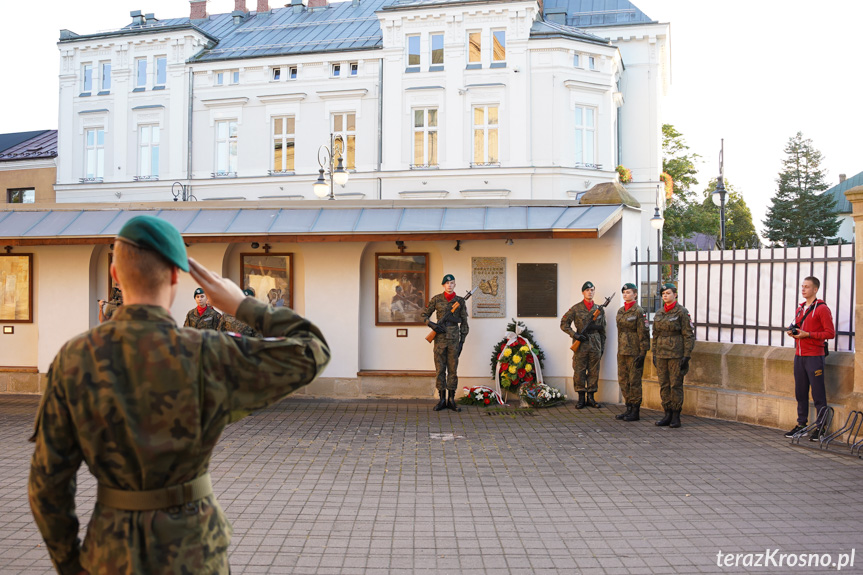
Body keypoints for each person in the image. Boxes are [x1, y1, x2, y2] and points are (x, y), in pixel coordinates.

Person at [28, 215, 330, 575]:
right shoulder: (208, 353)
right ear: (175, 276)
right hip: (193, 550)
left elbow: (47, 484)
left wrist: (70, 564)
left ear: (114, 274)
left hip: (109, 552)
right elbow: (312, 350)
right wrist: (240, 304)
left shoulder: (75, 359)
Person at [784, 276, 835, 440]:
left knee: (818, 393)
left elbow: (830, 333)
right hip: (799, 355)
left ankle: (821, 428)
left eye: (807, 287)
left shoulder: (821, 309)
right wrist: (794, 333)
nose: (803, 289)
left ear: (815, 289)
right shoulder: (800, 309)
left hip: (814, 356)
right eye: (802, 286)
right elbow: (800, 330)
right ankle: (802, 425)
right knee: (800, 392)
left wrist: (808, 335)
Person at [421, 274, 469, 412]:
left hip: (454, 341)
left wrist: (462, 342)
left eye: (452, 283)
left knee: (453, 371)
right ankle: (441, 399)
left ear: (455, 285)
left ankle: (451, 399)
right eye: (447, 283)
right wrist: (432, 325)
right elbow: (424, 314)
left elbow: (464, 323)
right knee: (440, 370)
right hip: (440, 341)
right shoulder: (436, 299)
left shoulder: (460, 301)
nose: (449, 285)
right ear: (443, 285)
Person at [652, 283, 695, 428]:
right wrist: (654, 353)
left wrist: (686, 355)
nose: (665, 296)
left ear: (675, 295)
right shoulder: (659, 313)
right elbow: (655, 334)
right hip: (662, 354)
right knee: (664, 384)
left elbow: (688, 335)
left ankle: (676, 415)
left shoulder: (682, 312)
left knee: (675, 384)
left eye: (668, 293)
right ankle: (667, 413)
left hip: (676, 354)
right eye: (663, 294)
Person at [560, 281, 607, 409]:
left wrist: (601, 347)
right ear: (583, 292)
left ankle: (591, 398)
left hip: (595, 343)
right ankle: (581, 398)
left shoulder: (599, 309)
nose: (590, 292)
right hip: (581, 343)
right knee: (579, 370)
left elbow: (603, 330)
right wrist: (574, 335)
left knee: (594, 371)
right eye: (587, 290)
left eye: (592, 290)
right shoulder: (575, 308)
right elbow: (564, 324)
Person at [615, 283, 650, 421]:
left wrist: (643, 352)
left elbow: (644, 332)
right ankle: (628, 407)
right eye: (623, 292)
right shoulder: (620, 311)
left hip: (635, 351)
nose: (625, 294)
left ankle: (635, 410)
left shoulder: (639, 311)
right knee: (623, 380)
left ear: (635, 294)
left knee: (634, 381)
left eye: (628, 292)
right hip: (622, 351)